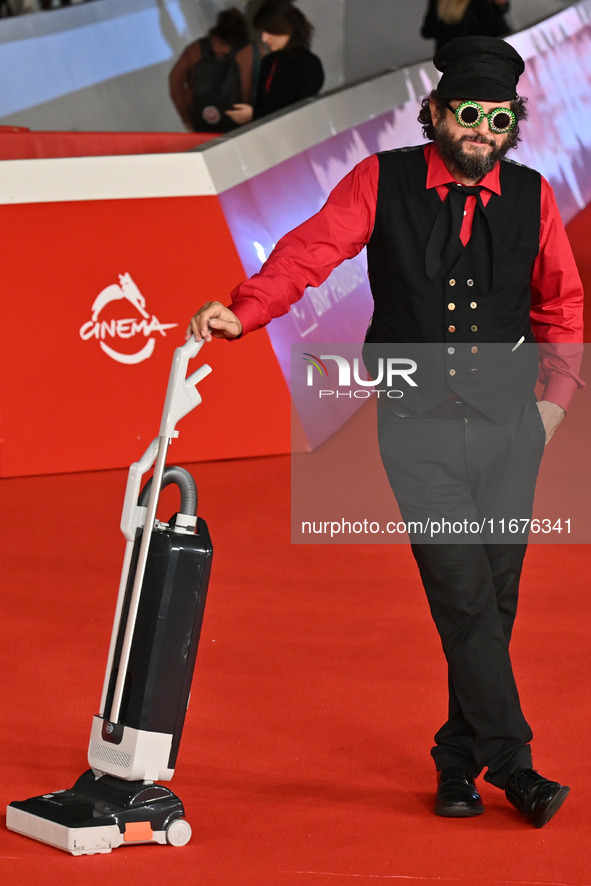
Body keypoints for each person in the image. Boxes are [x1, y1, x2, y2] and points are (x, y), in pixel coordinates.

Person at [187, 36, 584, 828]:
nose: (480, 130)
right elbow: (312, 249)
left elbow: (561, 304)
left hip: (512, 421)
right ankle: (516, 765)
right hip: (416, 423)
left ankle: (455, 765)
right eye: (466, 114)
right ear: (434, 114)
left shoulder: (534, 196)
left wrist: (553, 404)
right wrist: (250, 305)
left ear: (512, 124)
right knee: (463, 594)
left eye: (496, 118)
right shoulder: (381, 179)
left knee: (493, 603)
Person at [225, 0, 324, 126]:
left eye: (270, 31)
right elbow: (263, 103)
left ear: (288, 28)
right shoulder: (268, 62)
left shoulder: (309, 64)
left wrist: (255, 114)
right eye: (263, 31)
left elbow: (301, 112)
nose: (264, 38)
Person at [168, 7, 260, 132]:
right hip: (242, 121)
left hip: (203, 122)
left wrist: (187, 118)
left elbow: (175, 81)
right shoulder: (252, 51)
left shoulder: (196, 50)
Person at [421, 0, 511, 50]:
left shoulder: (438, 3)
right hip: (480, 61)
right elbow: (502, 31)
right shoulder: (476, 4)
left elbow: (427, 31)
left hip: (450, 67)